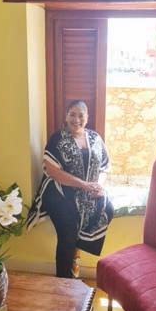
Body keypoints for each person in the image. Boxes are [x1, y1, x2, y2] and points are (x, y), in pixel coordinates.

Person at [26, 100, 114, 278]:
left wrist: (98, 186)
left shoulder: (95, 138)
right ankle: (63, 282)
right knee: (67, 232)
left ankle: (75, 256)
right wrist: (83, 184)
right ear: (66, 116)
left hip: (88, 191)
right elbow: (52, 171)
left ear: (87, 117)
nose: (76, 119)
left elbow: (105, 167)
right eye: (72, 114)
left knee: (108, 208)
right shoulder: (57, 139)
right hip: (58, 191)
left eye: (81, 115)